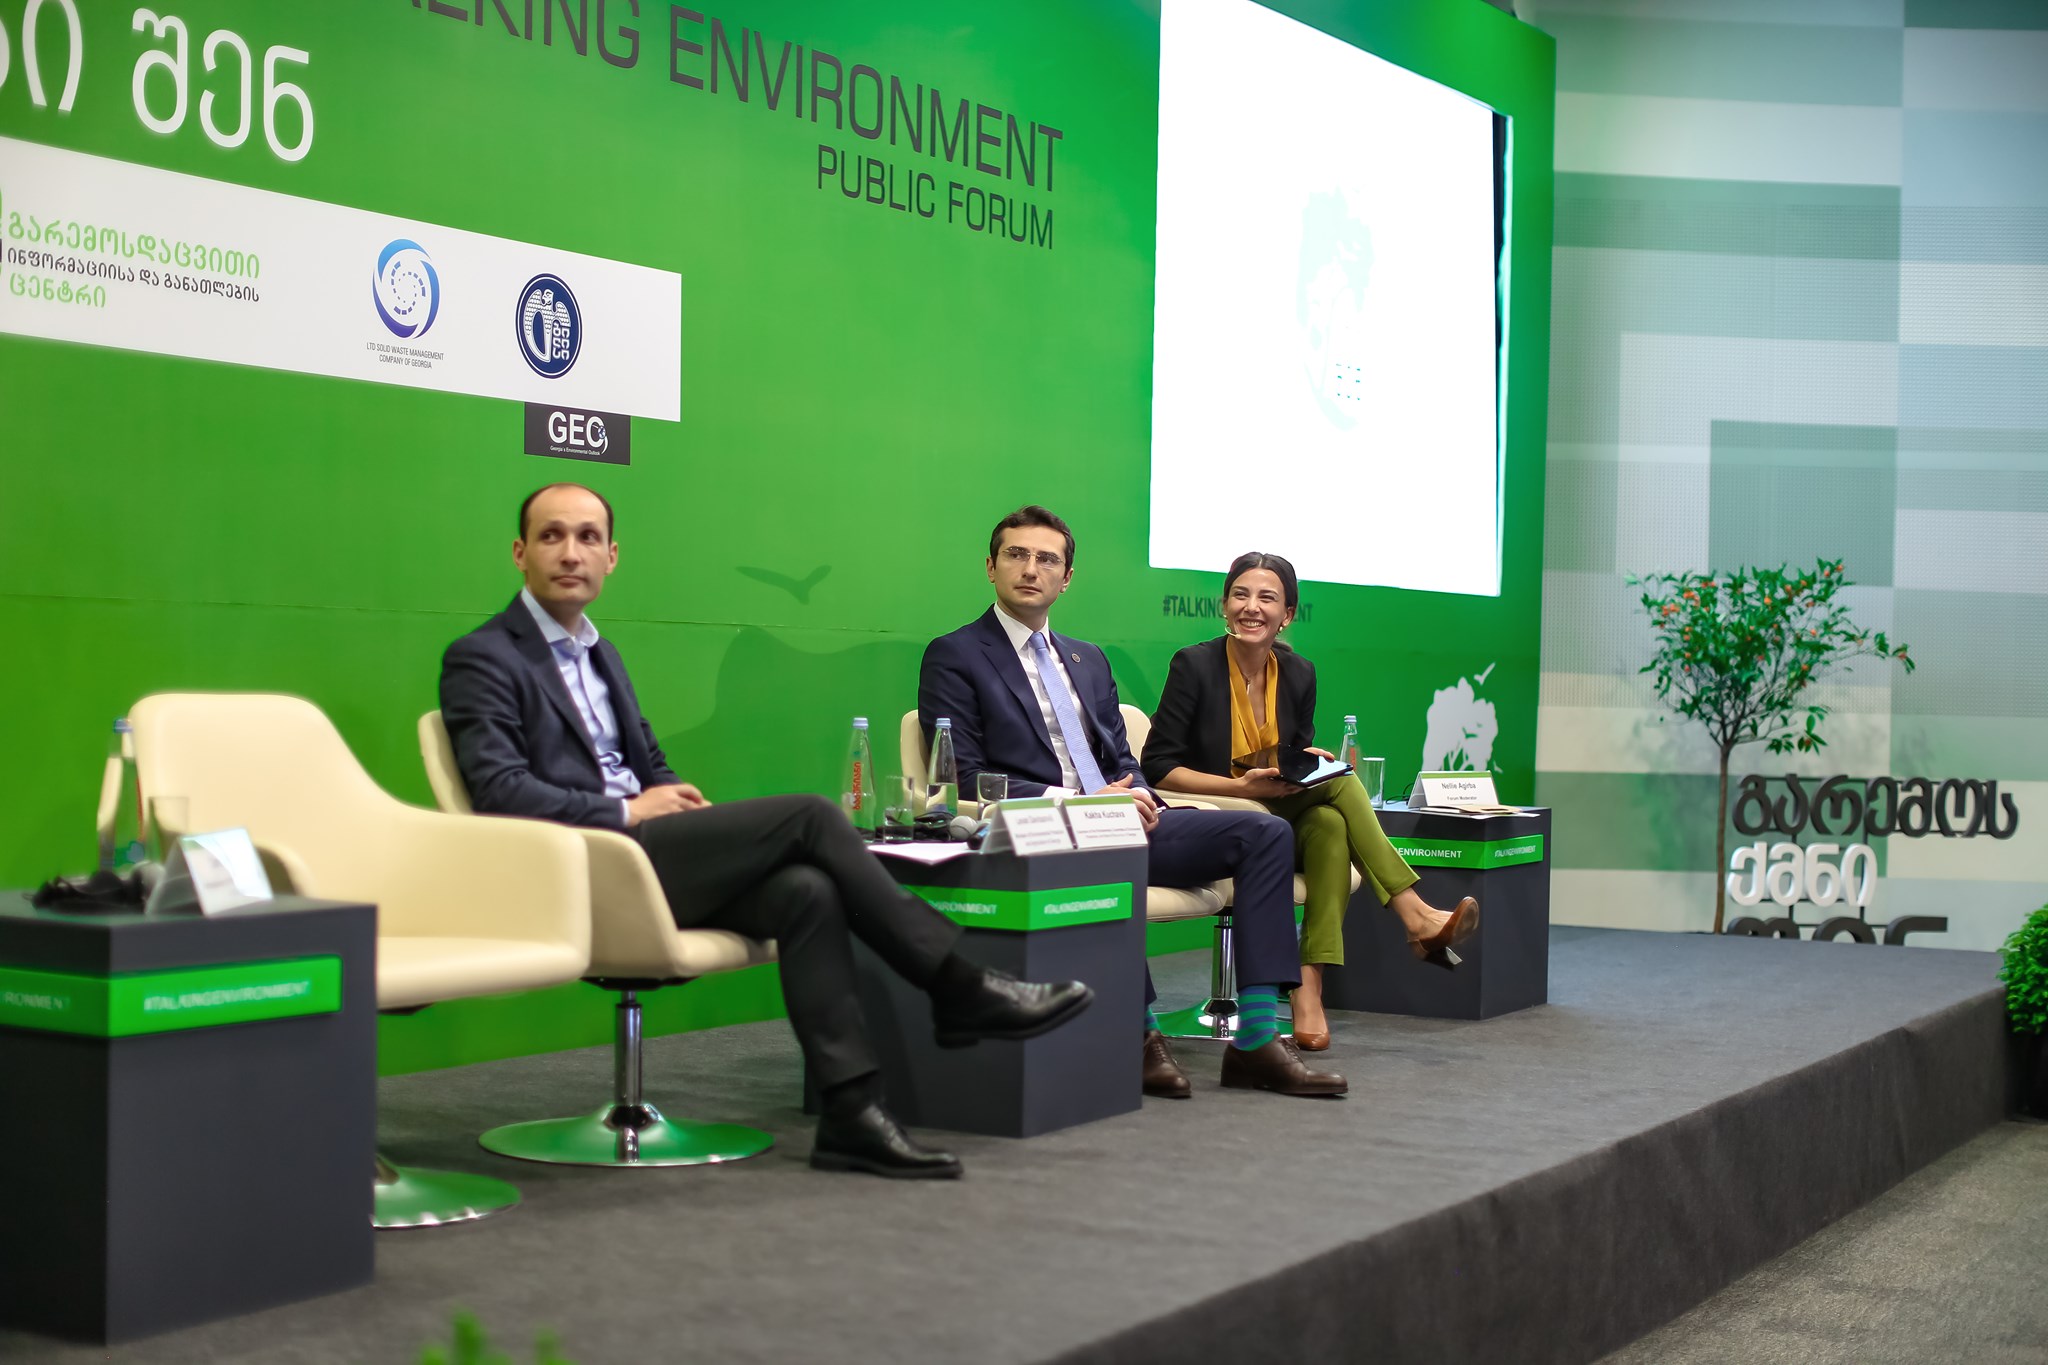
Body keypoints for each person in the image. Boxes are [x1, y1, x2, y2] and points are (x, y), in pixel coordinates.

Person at [440, 482, 1095, 1180]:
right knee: (812, 815)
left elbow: (650, 765)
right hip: (577, 864)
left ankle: (851, 1114)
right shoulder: (484, 655)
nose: (571, 552)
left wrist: (673, 798)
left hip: (646, 856)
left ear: (612, 556)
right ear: (521, 552)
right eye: (552, 535)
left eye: (588, 537)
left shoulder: (601, 654)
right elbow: (501, 793)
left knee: (805, 891)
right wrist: (630, 812)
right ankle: (961, 985)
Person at [919, 506, 1346, 1100]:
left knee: (1266, 834)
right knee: (1105, 843)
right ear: (991, 567)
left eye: (1047, 559)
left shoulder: (1088, 659)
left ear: (1066, 578)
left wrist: (1137, 795)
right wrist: (1081, 801)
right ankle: (1139, 1034)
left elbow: (1123, 759)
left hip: (1122, 819)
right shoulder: (956, 654)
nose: (1031, 569)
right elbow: (963, 776)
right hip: (1045, 826)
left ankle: (1254, 1040)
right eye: (1017, 555)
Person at [1141, 551, 1477, 1049]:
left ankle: (1309, 987)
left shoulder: (1299, 673)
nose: (1251, 607)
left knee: (1329, 818)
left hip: (1280, 813)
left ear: (1288, 614)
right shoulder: (1194, 665)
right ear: (1224, 605)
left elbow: (1290, 756)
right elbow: (1158, 766)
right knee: (1338, 798)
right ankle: (1410, 915)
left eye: (1267, 598)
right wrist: (1242, 788)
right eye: (1240, 595)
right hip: (1222, 811)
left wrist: (1306, 761)